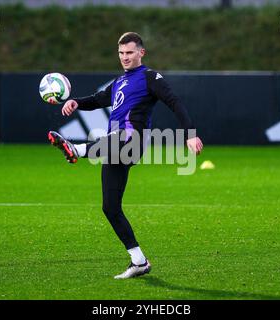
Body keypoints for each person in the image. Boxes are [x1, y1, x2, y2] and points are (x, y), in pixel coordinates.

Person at [48, 32, 204, 279]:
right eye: (121, 53)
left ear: (141, 53)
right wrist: (76, 102)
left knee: (120, 138)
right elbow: (98, 99)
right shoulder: (120, 81)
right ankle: (139, 260)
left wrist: (190, 134)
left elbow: (174, 102)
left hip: (133, 140)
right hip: (113, 146)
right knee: (110, 208)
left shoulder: (150, 77)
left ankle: (76, 149)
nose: (125, 57)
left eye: (129, 52)